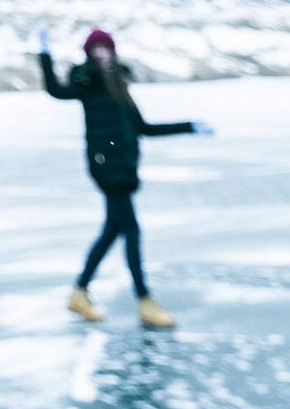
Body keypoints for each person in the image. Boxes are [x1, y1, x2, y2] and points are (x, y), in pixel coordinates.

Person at [36, 26, 210, 328]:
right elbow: (55, 90)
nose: (102, 54)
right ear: (89, 54)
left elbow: (144, 128)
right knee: (131, 229)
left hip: (123, 168)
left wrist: (190, 126)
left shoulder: (120, 86)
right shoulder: (86, 83)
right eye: (96, 49)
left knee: (112, 231)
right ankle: (144, 301)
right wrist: (45, 55)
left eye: (106, 48)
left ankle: (80, 293)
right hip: (106, 167)